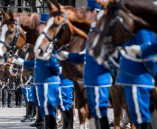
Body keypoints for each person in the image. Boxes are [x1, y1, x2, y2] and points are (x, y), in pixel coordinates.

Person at [56, 0, 112, 128]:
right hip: (90, 79)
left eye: (88, 11)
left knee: (100, 112)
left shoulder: (103, 30)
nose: (85, 13)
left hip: (100, 79)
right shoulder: (93, 31)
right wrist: (68, 56)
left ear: (95, 12)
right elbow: (86, 55)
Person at [116, 29, 156, 129]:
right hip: (134, 79)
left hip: (138, 79)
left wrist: (155, 73)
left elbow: (148, 55)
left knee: (142, 119)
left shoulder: (142, 30)